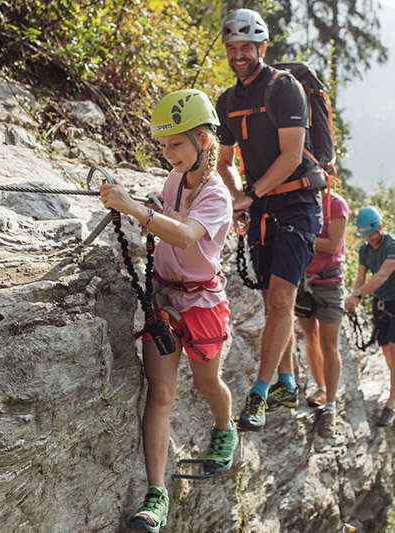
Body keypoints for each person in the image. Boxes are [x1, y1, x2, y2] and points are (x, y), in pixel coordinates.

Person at [100, 89, 236, 533]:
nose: (166, 154)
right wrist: (151, 206)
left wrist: (134, 209)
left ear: (202, 139)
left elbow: (183, 236)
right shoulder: (175, 181)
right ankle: (155, 495)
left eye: (174, 144)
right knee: (161, 394)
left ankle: (224, 426)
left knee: (206, 381)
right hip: (164, 297)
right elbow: (169, 217)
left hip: (201, 300)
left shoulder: (217, 195)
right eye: (163, 145)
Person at [215, 8, 325, 432]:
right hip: (261, 208)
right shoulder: (228, 102)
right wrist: (237, 197)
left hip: (297, 202)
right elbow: (224, 161)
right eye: (233, 48)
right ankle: (287, 381)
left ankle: (259, 394)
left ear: (262, 47)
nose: (239, 55)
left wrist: (251, 195)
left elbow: (293, 155)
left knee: (281, 299)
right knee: (270, 302)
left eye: (246, 47)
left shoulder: (284, 88)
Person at [272, 190, 348, 438]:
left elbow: (332, 244)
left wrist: (298, 235)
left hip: (329, 282)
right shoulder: (300, 202)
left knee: (329, 344)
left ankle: (330, 407)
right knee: (309, 335)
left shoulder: (336, 204)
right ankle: (322, 387)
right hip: (303, 278)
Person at [344, 206, 395, 428]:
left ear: (380, 228)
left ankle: (391, 405)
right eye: (365, 235)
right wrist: (355, 298)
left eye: (372, 234)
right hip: (381, 303)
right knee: (385, 349)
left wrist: (358, 294)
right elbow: (361, 276)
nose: (369, 239)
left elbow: (382, 275)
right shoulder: (365, 250)